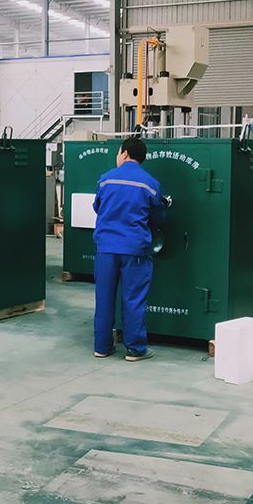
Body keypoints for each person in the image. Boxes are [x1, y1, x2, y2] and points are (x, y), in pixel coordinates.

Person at [92, 137, 168, 362]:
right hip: (135, 249)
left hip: (106, 248)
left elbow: (97, 207)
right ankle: (135, 349)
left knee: (104, 299)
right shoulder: (150, 183)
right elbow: (158, 217)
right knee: (133, 299)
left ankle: (102, 347)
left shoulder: (105, 179)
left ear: (124, 153)